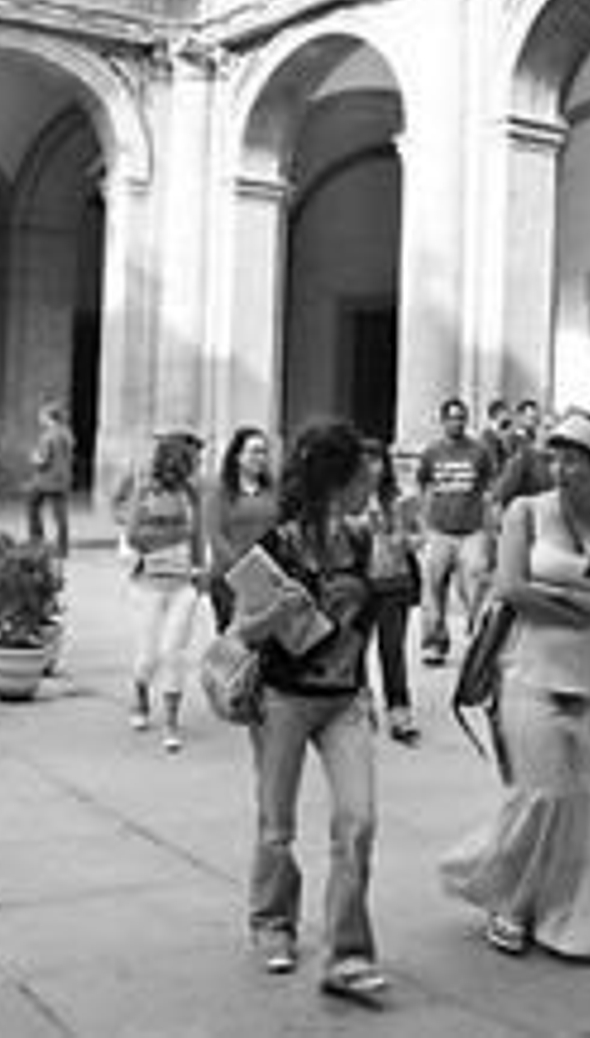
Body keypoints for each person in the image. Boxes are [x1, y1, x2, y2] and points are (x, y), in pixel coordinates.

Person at [440, 407, 590, 961]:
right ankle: (507, 900)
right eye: (556, 459)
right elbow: (512, 587)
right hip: (527, 670)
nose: (562, 471)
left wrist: (564, 602)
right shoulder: (526, 512)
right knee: (542, 794)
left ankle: (570, 910)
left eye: (575, 461)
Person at [230, 418, 387, 999]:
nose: (373, 483)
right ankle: (273, 924)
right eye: (363, 475)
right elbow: (242, 631)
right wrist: (276, 614)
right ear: (336, 481)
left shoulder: (366, 541)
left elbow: (372, 627)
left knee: (359, 821)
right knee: (277, 827)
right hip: (284, 699)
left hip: (344, 701)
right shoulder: (279, 544)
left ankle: (347, 953)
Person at [123, 431, 206, 752]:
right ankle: (141, 694)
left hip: (183, 584)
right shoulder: (145, 491)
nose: (193, 470)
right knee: (148, 657)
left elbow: (197, 535)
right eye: (189, 463)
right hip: (148, 586)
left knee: (174, 652)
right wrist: (171, 536)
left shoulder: (192, 494)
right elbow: (132, 535)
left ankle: (171, 724)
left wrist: (200, 571)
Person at [414, 397, 496, 666]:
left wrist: (489, 529)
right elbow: (423, 487)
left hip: (472, 532)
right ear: (443, 421)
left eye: (460, 417)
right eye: (451, 417)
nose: (456, 422)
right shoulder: (432, 452)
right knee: (431, 588)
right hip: (439, 531)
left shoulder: (479, 451)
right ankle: (434, 644)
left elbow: (489, 491)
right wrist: (422, 526)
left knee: (476, 586)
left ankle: (478, 642)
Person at [356, 438, 423, 745]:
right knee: (355, 649)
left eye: (377, 460)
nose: (372, 467)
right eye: (365, 461)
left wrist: (405, 539)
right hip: (358, 584)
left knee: (392, 649)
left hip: (395, 581)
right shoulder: (349, 498)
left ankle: (399, 711)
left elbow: (419, 535)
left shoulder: (400, 498)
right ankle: (361, 703)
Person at [203, 426, 278, 632]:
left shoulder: (272, 490)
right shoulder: (220, 491)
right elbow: (215, 536)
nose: (260, 457)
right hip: (229, 579)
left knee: (265, 644)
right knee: (234, 643)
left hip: (268, 578)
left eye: (264, 452)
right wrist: (245, 572)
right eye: (254, 451)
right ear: (237, 456)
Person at [25, 400, 76, 558]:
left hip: (45, 480)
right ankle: (63, 548)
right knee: (60, 515)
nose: (40, 418)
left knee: (32, 507)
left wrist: (33, 457)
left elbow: (43, 460)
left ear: (49, 417)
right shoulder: (66, 434)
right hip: (62, 480)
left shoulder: (49, 436)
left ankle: (36, 541)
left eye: (42, 415)